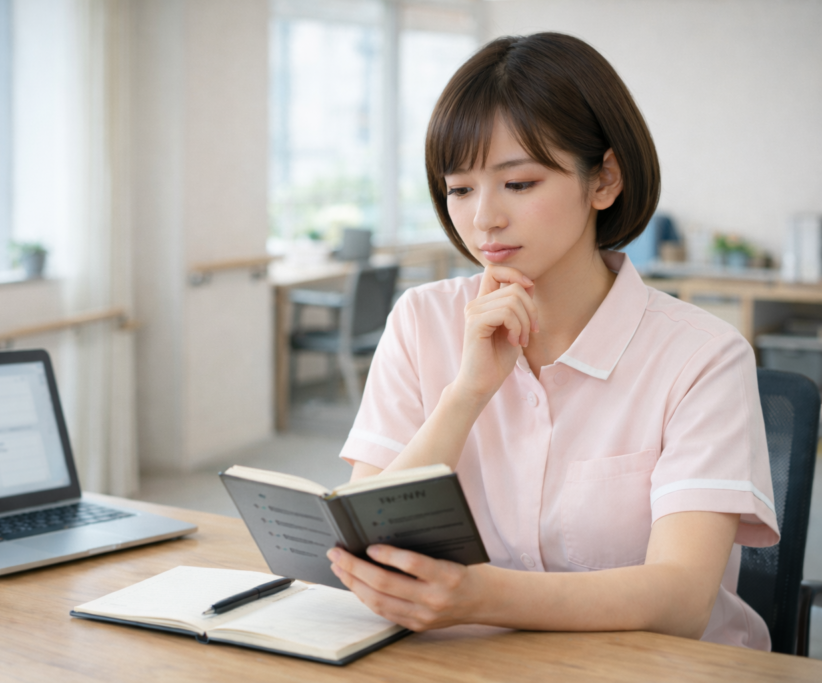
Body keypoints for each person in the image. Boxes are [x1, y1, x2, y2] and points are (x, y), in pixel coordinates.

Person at [327, 32, 779, 650]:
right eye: (459, 188)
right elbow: (363, 543)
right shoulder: (420, 320)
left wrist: (481, 597)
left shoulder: (703, 356)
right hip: (477, 665)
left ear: (604, 180)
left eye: (518, 184)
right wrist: (466, 395)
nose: (483, 218)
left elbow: (681, 600)